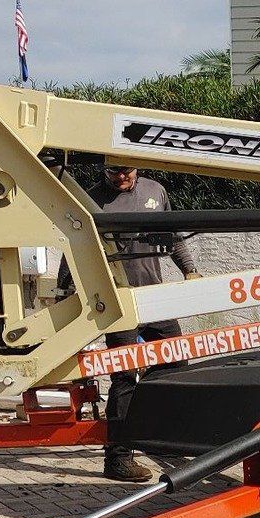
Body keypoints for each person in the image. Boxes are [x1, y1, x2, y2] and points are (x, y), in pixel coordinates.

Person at [98, 161, 198, 481]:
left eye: (128, 170)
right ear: (104, 170)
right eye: (115, 172)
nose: (123, 176)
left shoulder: (155, 191)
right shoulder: (91, 200)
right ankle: (118, 458)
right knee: (125, 377)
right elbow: (75, 251)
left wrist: (189, 268)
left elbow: (170, 236)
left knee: (173, 365)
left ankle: (161, 439)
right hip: (120, 303)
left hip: (155, 300)